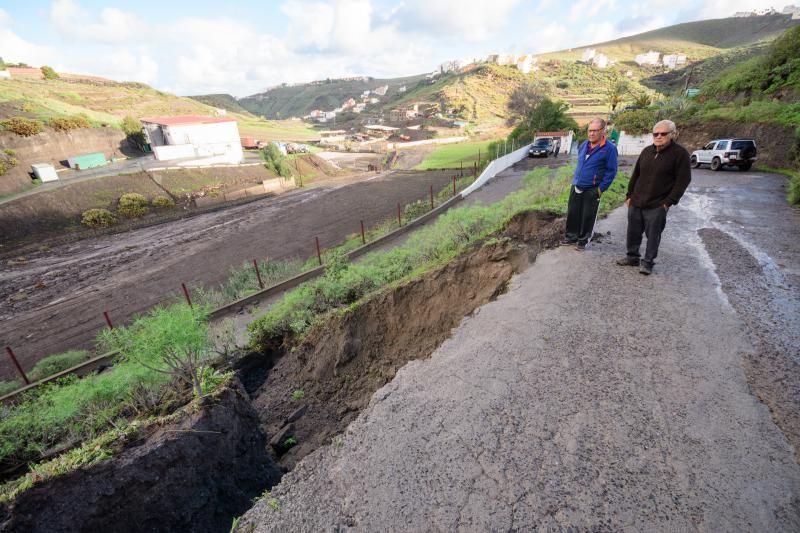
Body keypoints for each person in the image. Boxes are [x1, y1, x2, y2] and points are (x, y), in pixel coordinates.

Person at [616, 119, 691, 275]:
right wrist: (629, 195)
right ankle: (632, 257)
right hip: (637, 201)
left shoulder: (680, 154)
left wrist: (668, 203)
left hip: (657, 204)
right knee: (633, 232)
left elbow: (683, 180)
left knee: (653, 236)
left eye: (663, 133)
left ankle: (648, 262)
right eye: (655, 134)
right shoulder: (646, 151)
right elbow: (636, 174)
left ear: (673, 134)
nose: (658, 136)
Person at [563, 118, 618, 251]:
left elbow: (611, 171)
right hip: (577, 184)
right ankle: (571, 237)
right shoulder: (584, 145)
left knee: (588, 215)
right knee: (573, 212)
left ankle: (582, 241)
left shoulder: (609, 149)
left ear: (603, 131)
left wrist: (600, 189)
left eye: (595, 131)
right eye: (590, 130)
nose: (591, 134)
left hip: (593, 188)